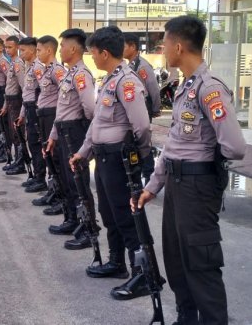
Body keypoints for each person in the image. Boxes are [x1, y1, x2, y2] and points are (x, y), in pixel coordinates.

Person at [136, 16, 246, 325]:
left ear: (179, 46)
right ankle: (186, 319)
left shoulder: (210, 89)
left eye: (165, 43)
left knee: (200, 263)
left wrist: (204, 167)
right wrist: (153, 186)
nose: (163, 49)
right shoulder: (186, 86)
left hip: (197, 187)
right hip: (177, 182)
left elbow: (234, 146)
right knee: (176, 259)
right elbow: (173, 146)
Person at [68, 26, 152, 299]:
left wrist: (138, 157)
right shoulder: (109, 80)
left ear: (104, 53)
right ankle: (116, 263)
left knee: (127, 217)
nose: (91, 57)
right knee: (109, 213)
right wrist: (83, 152)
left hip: (120, 159)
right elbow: (97, 124)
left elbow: (141, 127)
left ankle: (142, 274)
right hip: (103, 158)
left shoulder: (127, 82)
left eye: (92, 53)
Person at [44, 28, 97, 246]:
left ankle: (88, 229)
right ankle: (73, 219)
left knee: (79, 183)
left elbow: (90, 110)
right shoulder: (69, 73)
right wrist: (54, 134)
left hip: (75, 132)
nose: (61, 50)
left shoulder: (82, 75)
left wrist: (81, 132)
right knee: (68, 180)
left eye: (63, 46)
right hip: (64, 131)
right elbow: (62, 110)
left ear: (73, 48)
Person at [34, 35, 68, 215]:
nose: (37, 53)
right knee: (48, 156)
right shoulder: (47, 70)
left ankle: (61, 198)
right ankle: (53, 191)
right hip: (44, 116)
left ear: (49, 50)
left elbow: (65, 96)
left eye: (39, 50)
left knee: (55, 158)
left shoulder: (57, 70)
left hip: (52, 116)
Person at [124, 32, 161, 186]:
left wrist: (155, 108)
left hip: (143, 109)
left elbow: (153, 88)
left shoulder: (142, 66)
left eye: (124, 46)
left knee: (143, 144)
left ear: (133, 46)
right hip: (133, 110)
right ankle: (136, 176)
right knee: (133, 144)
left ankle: (150, 177)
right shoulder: (130, 65)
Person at [17, 37, 48, 193]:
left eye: (22, 50)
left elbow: (44, 92)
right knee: (32, 143)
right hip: (29, 108)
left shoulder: (38, 68)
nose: (20, 53)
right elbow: (26, 93)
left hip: (36, 110)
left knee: (37, 144)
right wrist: (23, 113)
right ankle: (37, 176)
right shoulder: (29, 66)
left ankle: (41, 179)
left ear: (32, 50)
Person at [1, 36, 27, 175]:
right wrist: (5, 105)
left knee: (18, 134)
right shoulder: (12, 62)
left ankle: (21, 163)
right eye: (6, 47)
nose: (7, 49)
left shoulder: (18, 64)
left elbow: (23, 86)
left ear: (17, 48)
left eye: (10, 47)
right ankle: (17, 161)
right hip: (10, 101)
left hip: (17, 102)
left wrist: (22, 108)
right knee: (13, 133)